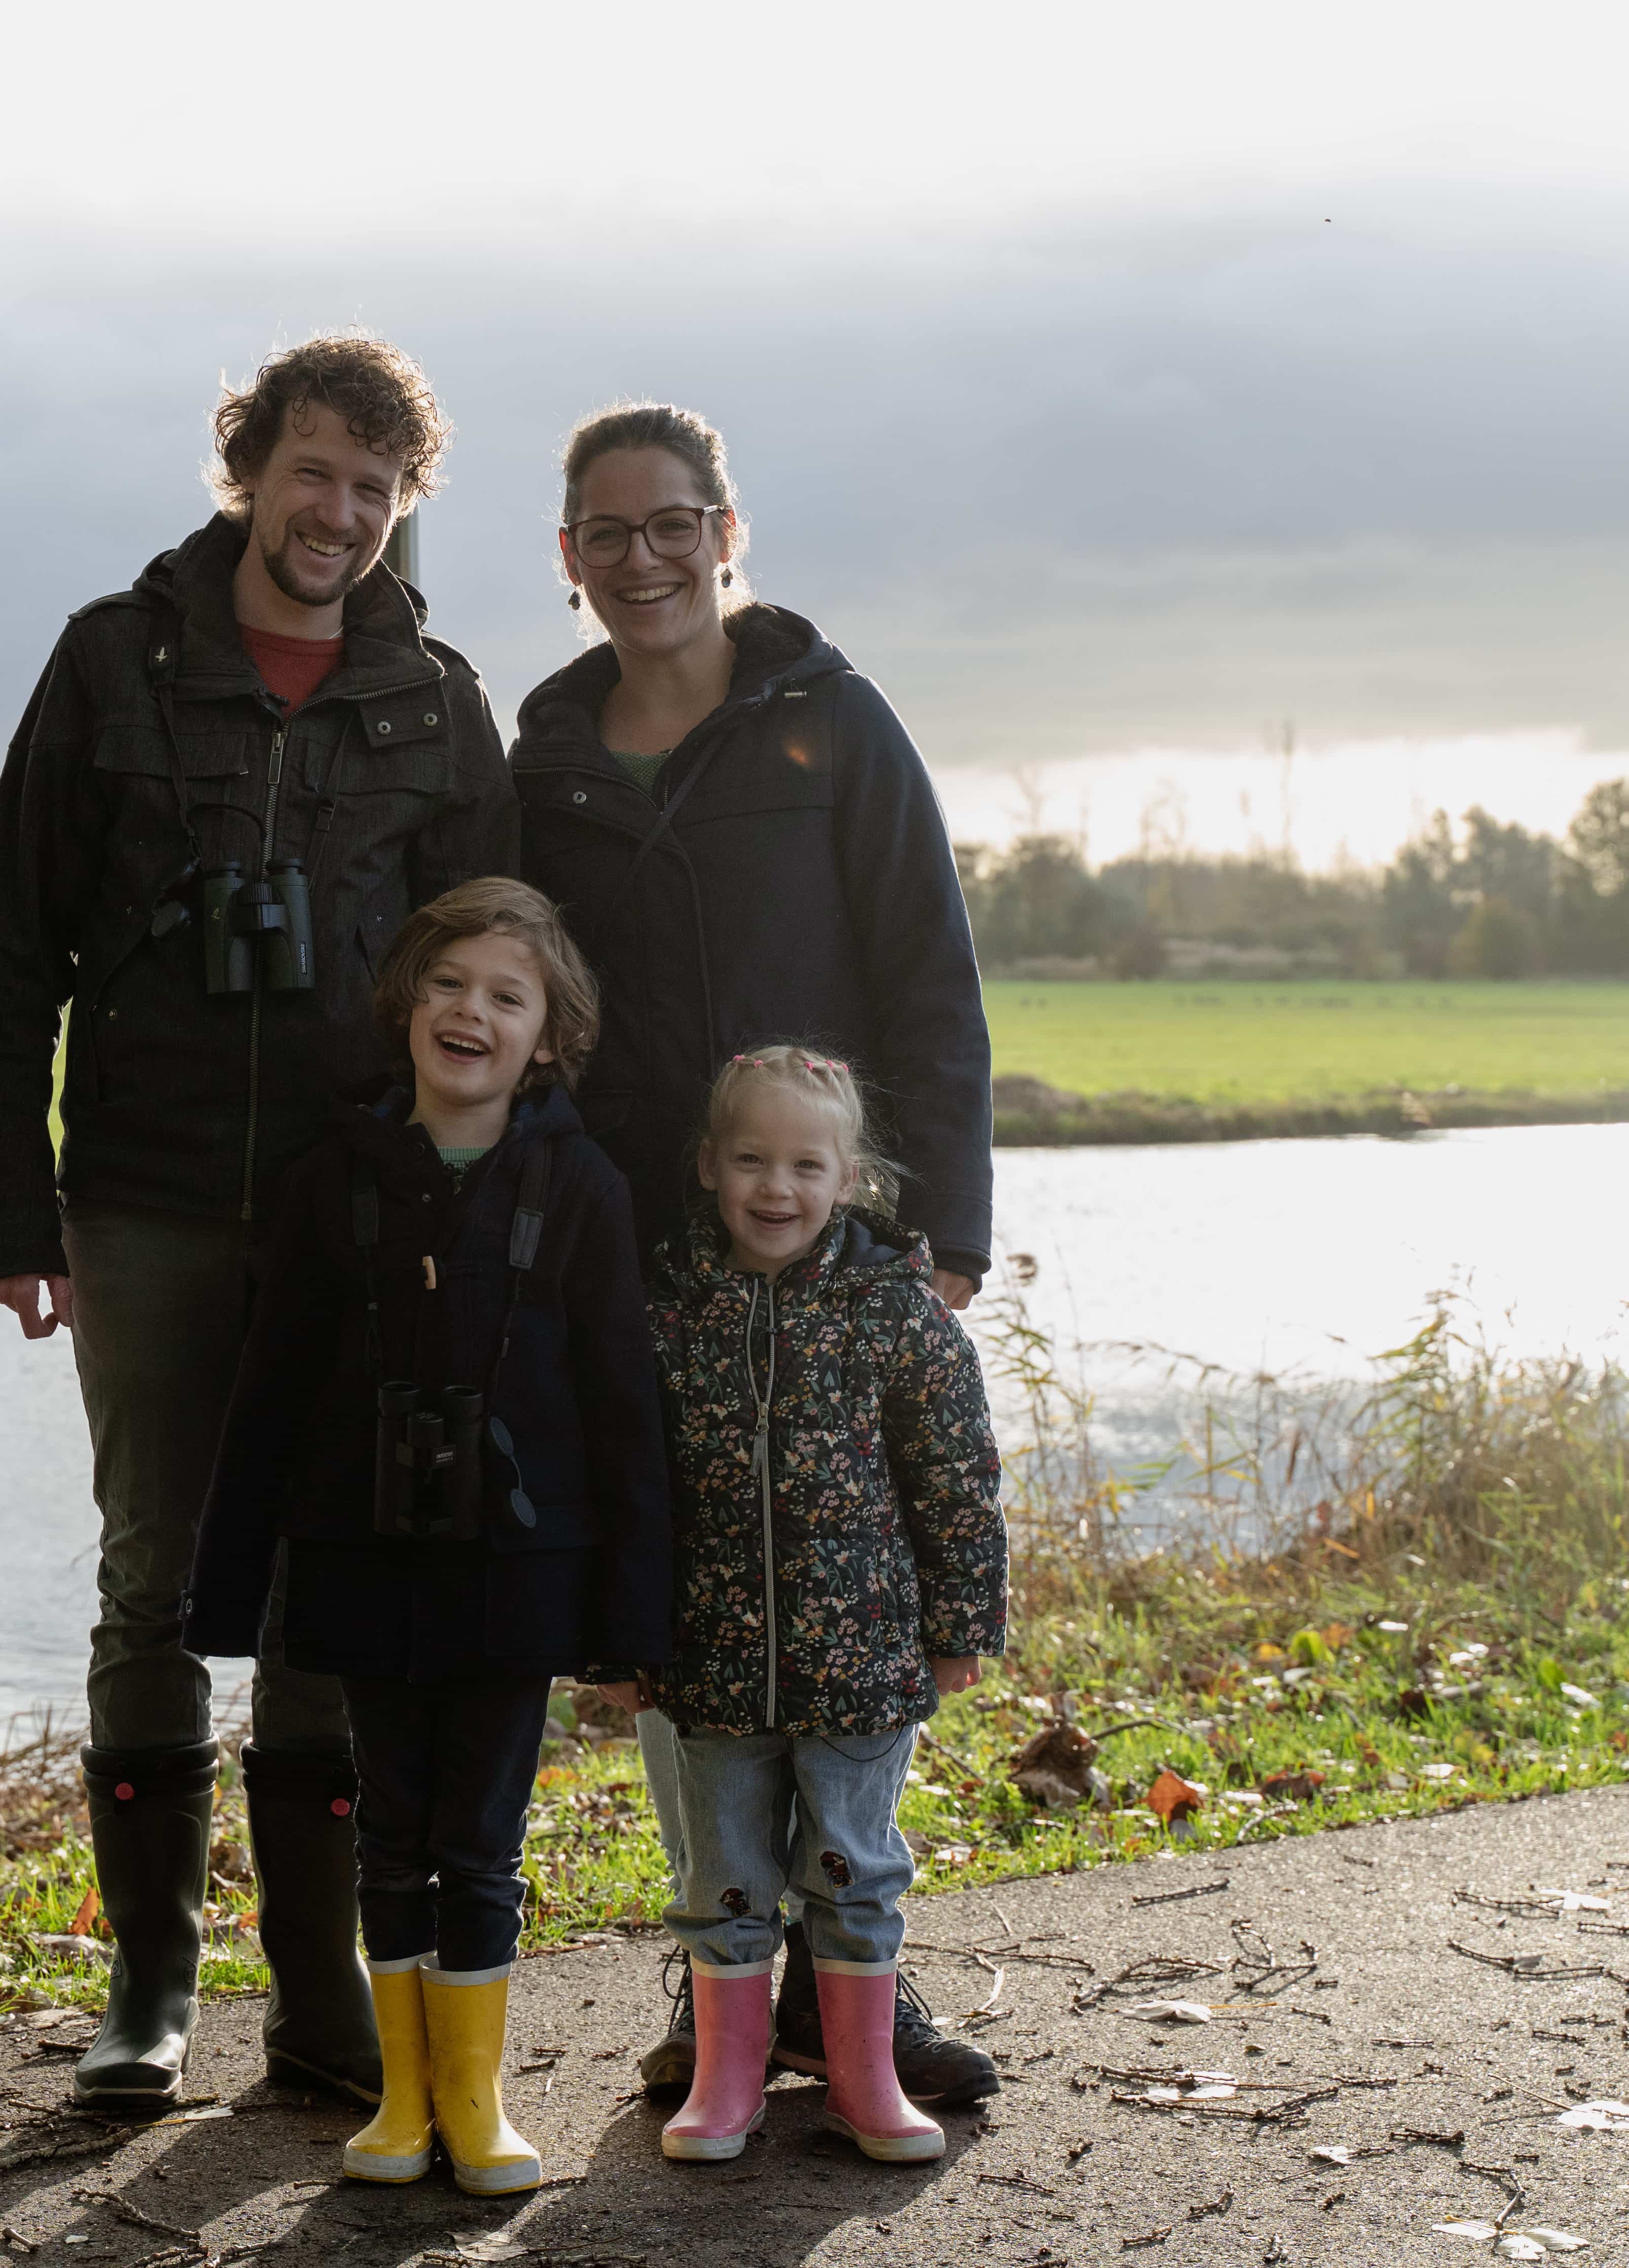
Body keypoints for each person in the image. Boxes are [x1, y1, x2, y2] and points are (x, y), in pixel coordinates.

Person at [0, 334, 515, 2110]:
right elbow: (14, 946)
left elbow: (493, 974)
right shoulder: (113, 663)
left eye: (375, 487)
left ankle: (321, 1989)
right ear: (249, 470)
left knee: (325, 1579)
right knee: (156, 1578)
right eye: (313, 470)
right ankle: (149, 1986)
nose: (338, 512)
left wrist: (475, 1209)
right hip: (146, 1194)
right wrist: (4, 1210)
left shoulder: (438, 704)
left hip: (354, 1214)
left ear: (401, 507)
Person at [511, 402, 998, 2105]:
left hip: (829, 1230)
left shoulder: (835, 725)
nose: (642, 557)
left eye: (674, 523)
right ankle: (725, 1968)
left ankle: (856, 1980)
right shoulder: (544, 761)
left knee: (849, 1596)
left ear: (725, 533)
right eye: (607, 531)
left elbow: (931, 974)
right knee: (687, 1600)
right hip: (643, 1249)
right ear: (569, 557)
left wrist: (943, 1230)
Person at [181, 878, 672, 2196]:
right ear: (406, 1004)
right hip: (362, 1568)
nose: (472, 1012)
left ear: (549, 1039)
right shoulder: (331, 1180)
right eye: (448, 983)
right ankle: (404, 2102)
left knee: (484, 1844)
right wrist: (228, 1596)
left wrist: (631, 1626)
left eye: (508, 996)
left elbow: (624, 1412)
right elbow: (269, 1392)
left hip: (519, 1578)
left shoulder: (582, 1186)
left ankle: (477, 2098)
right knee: (391, 1835)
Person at [615, 1046, 1006, 2164]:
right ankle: (728, 2077)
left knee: (854, 1867)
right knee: (725, 1875)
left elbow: (956, 1475)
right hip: (711, 1662)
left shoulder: (895, 1311)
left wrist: (962, 1624)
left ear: (848, 1178)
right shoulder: (665, 1310)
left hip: (864, 1659)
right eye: (751, 1160)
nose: (775, 1187)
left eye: (803, 1165)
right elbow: (626, 1487)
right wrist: (619, 1637)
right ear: (708, 1165)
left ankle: (863, 2076)